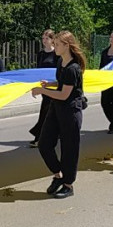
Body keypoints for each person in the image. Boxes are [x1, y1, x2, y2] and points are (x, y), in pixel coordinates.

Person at [32, 31, 87, 199]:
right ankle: (58, 175)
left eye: (57, 44)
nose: (54, 47)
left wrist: (43, 90)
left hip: (70, 111)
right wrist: (51, 84)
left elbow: (64, 94)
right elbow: (62, 84)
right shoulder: (61, 62)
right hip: (57, 108)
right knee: (44, 144)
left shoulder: (73, 68)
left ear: (66, 46)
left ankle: (68, 185)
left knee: (69, 149)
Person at [28, 29, 57, 148]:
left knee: (46, 111)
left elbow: (58, 71)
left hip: (54, 86)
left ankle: (39, 136)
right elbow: (38, 70)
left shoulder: (57, 54)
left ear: (52, 40)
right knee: (49, 112)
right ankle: (46, 135)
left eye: (47, 38)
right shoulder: (41, 54)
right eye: (43, 38)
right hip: (44, 86)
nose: (44, 41)